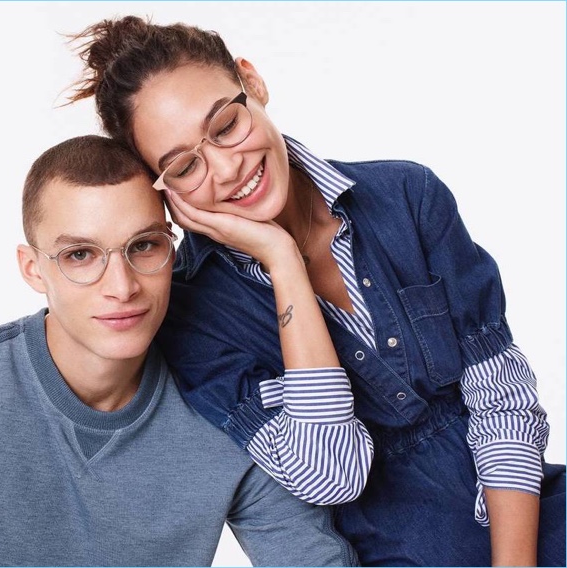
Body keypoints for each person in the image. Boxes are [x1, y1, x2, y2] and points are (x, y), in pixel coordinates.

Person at [66, 16, 567, 567]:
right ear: (163, 191)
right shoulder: (192, 316)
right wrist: (283, 263)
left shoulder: (407, 196)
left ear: (251, 83)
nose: (228, 168)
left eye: (227, 125)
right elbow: (334, 475)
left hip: (533, 516)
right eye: (185, 166)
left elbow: (503, 402)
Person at [0, 135, 358, 566]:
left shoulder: (231, 399)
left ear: (171, 247)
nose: (121, 287)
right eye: (80, 254)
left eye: (144, 246)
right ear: (33, 269)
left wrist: (279, 253)